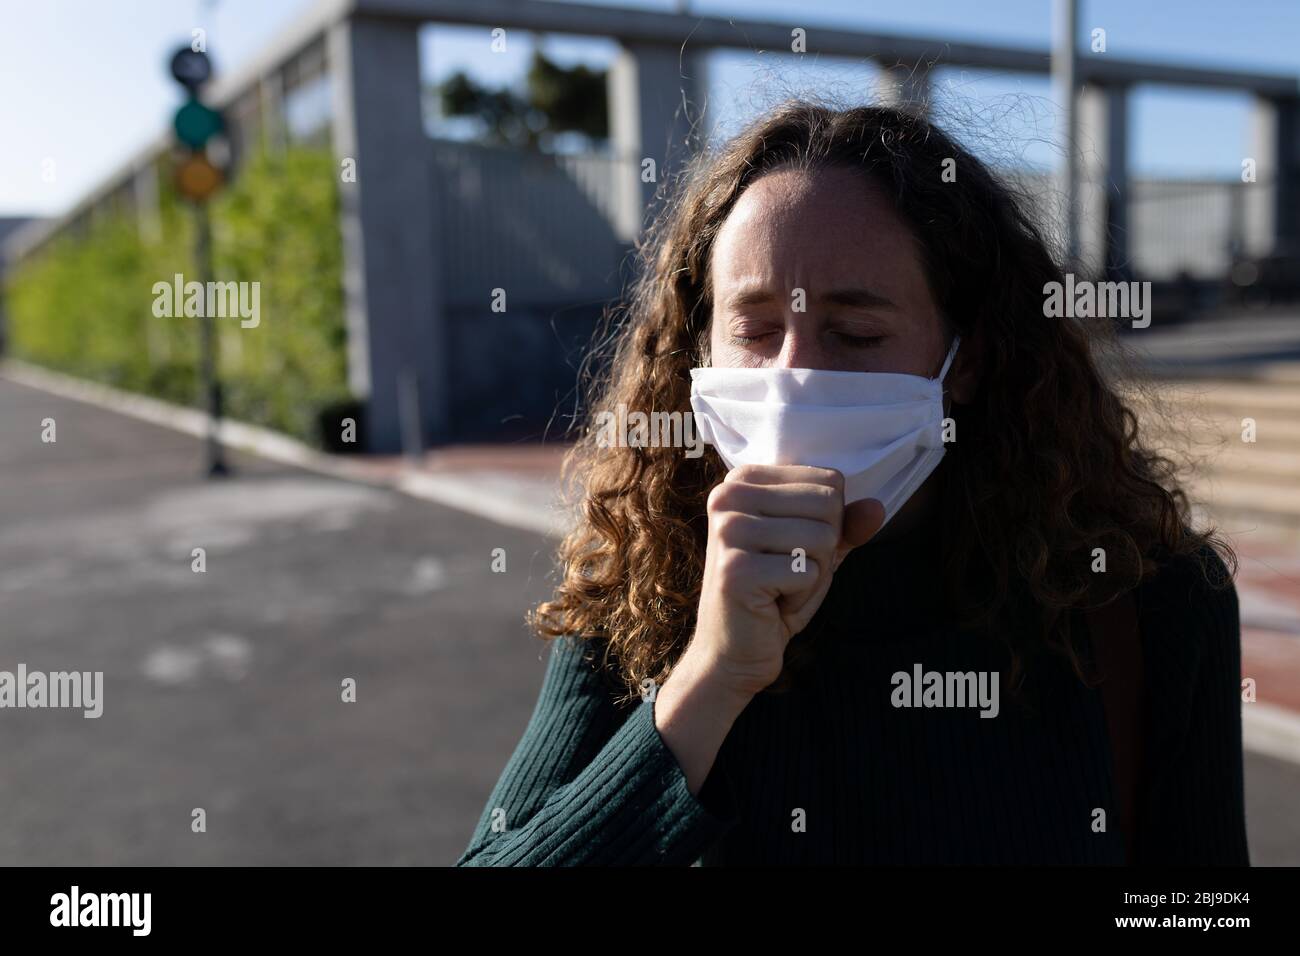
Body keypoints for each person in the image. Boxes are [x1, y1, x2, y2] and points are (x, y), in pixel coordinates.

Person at [455, 101, 1248, 866]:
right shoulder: (644, 591)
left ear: (965, 361)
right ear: (698, 351)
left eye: (857, 331)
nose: (795, 376)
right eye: (756, 328)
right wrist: (710, 677)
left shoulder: (1146, 601)